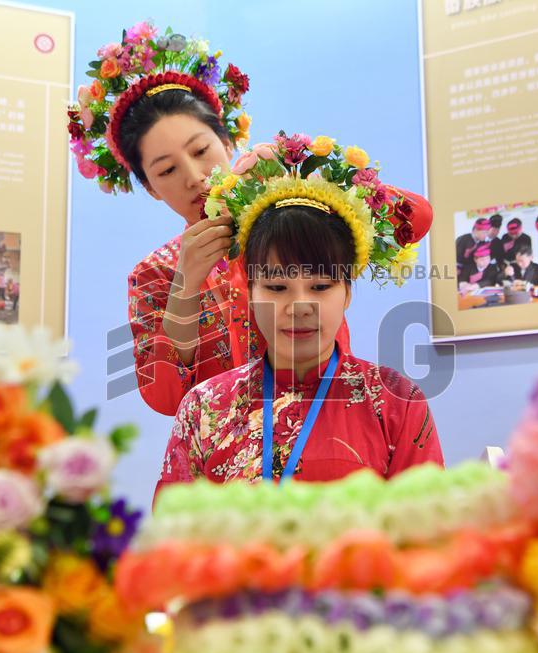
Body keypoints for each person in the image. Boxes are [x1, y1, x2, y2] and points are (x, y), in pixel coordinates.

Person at [70, 23, 429, 416]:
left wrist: (311, 170)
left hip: (327, 425)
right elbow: (165, 399)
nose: (194, 176)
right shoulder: (155, 273)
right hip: (221, 452)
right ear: (151, 188)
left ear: (228, 144)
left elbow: (416, 219)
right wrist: (185, 286)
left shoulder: (296, 217)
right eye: (167, 171)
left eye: (201, 149)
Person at [155, 134, 442, 495]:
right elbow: (172, 535)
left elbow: (429, 532)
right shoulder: (204, 407)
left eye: (320, 287)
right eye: (277, 288)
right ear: (252, 293)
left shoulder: (395, 401)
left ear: (347, 294)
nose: (300, 305)